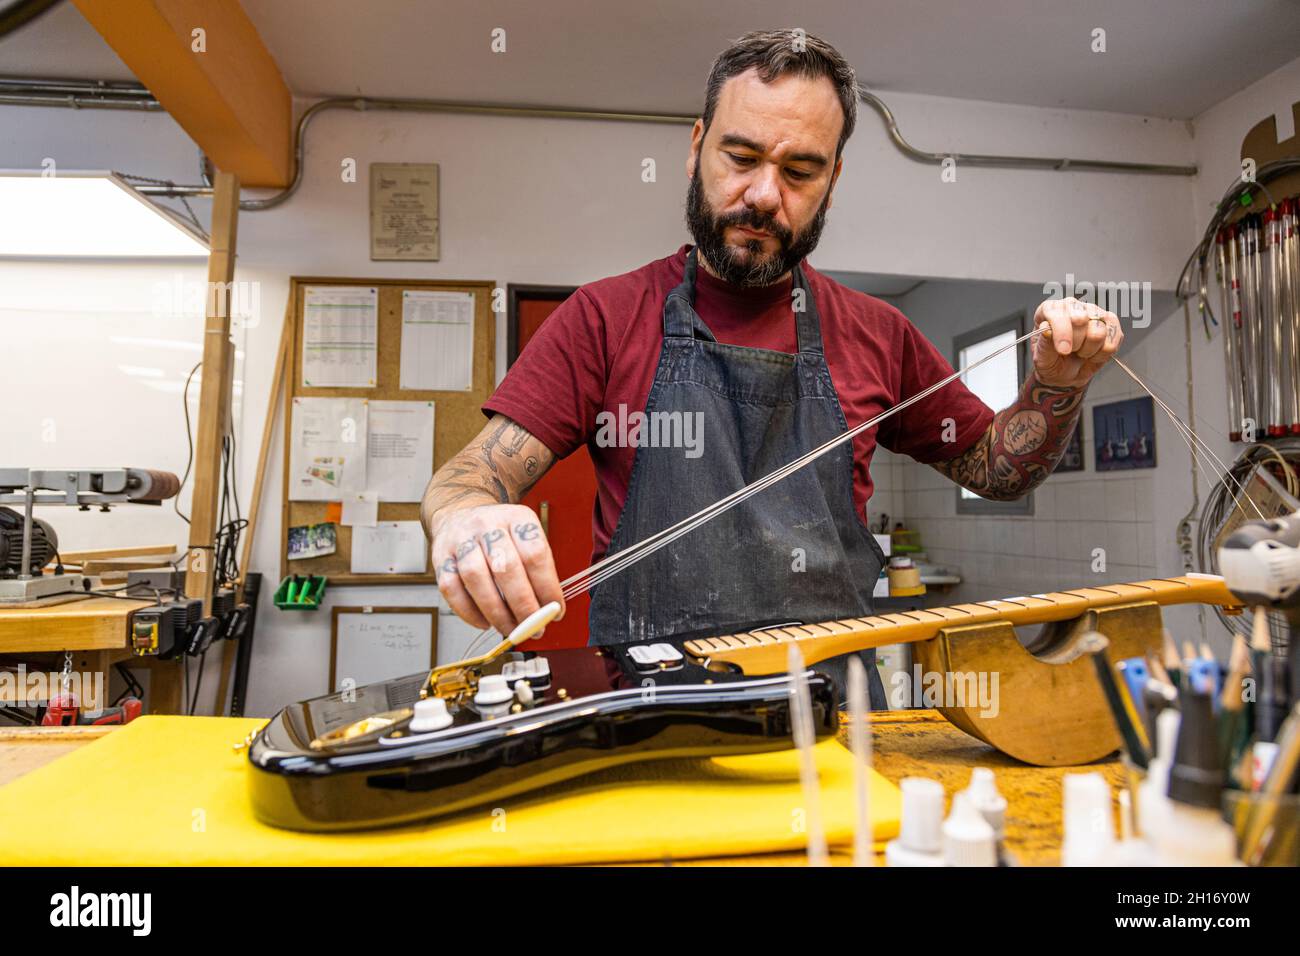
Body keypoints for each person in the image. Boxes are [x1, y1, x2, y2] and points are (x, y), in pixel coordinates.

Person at [419, 29, 1122, 707]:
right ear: (697, 150)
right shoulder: (602, 319)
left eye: (798, 171)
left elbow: (997, 471)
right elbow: (468, 478)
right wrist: (466, 519)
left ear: (832, 180)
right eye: (741, 156)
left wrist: (1057, 384)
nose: (762, 194)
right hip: (649, 720)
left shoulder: (880, 335)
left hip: (835, 724)